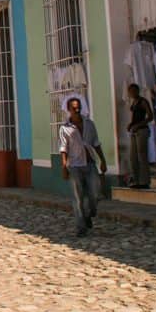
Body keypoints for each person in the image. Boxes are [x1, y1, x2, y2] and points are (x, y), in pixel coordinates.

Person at [59, 96, 108, 237]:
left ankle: (88, 213)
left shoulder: (89, 124)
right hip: (74, 165)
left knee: (96, 193)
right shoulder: (64, 128)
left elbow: (96, 143)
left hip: (90, 163)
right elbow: (63, 148)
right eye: (74, 108)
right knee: (78, 197)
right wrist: (64, 167)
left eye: (78, 106)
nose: (77, 109)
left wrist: (102, 160)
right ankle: (81, 226)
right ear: (68, 110)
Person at [126, 84, 153, 189]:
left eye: (133, 91)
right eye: (130, 92)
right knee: (133, 157)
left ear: (137, 91)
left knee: (142, 156)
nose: (131, 93)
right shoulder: (133, 102)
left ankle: (145, 180)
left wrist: (139, 125)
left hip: (142, 131)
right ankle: (136, 180)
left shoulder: (143, 101)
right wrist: (131, 124)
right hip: (134, 131)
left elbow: (150, 116)